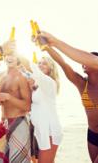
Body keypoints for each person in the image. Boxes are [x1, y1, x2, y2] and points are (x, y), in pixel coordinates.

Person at [37, 31, 98, 163]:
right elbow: (63, 64)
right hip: (92, 134)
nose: (83, 62)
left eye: (87, 59)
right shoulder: (82, 84)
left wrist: (55, 42)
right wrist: (47, 47)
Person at [0, 52, 32, 163]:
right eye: (8, 54)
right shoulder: (1, 75)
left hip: (19, 123)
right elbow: (0, 103)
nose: (10, 57)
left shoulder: (21, 77)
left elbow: (28, 106)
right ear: (3, 56)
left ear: (18, 57)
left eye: (13, 54)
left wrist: (8, 97)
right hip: (4, 123)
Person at [27, 55, 62, 163]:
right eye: (39, 63)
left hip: (49, 130)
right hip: (40, 129)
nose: (40, 65)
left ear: (51, 68)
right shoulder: (37, 85)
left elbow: (36, 74)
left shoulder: (50, 82)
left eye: (44, 63)